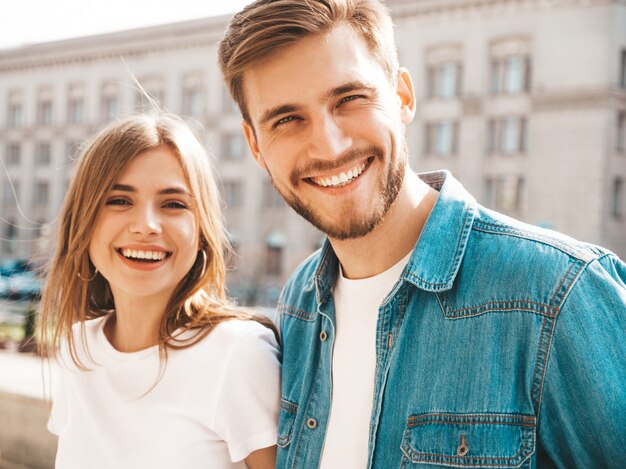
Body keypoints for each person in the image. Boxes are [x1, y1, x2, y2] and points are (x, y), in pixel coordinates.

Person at [218, 1, 626, 467]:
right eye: (287, 119)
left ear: (403, 96)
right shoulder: (299, 302)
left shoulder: (558, 295)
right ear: (255, 146)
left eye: (349, 98)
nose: (329, 145)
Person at [39, 113, 280, 469]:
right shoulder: (78, 347)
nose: (147, 226)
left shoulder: (238, 353)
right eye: (119, 200)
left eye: (173, 204)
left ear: (201, 229)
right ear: (84, 221)